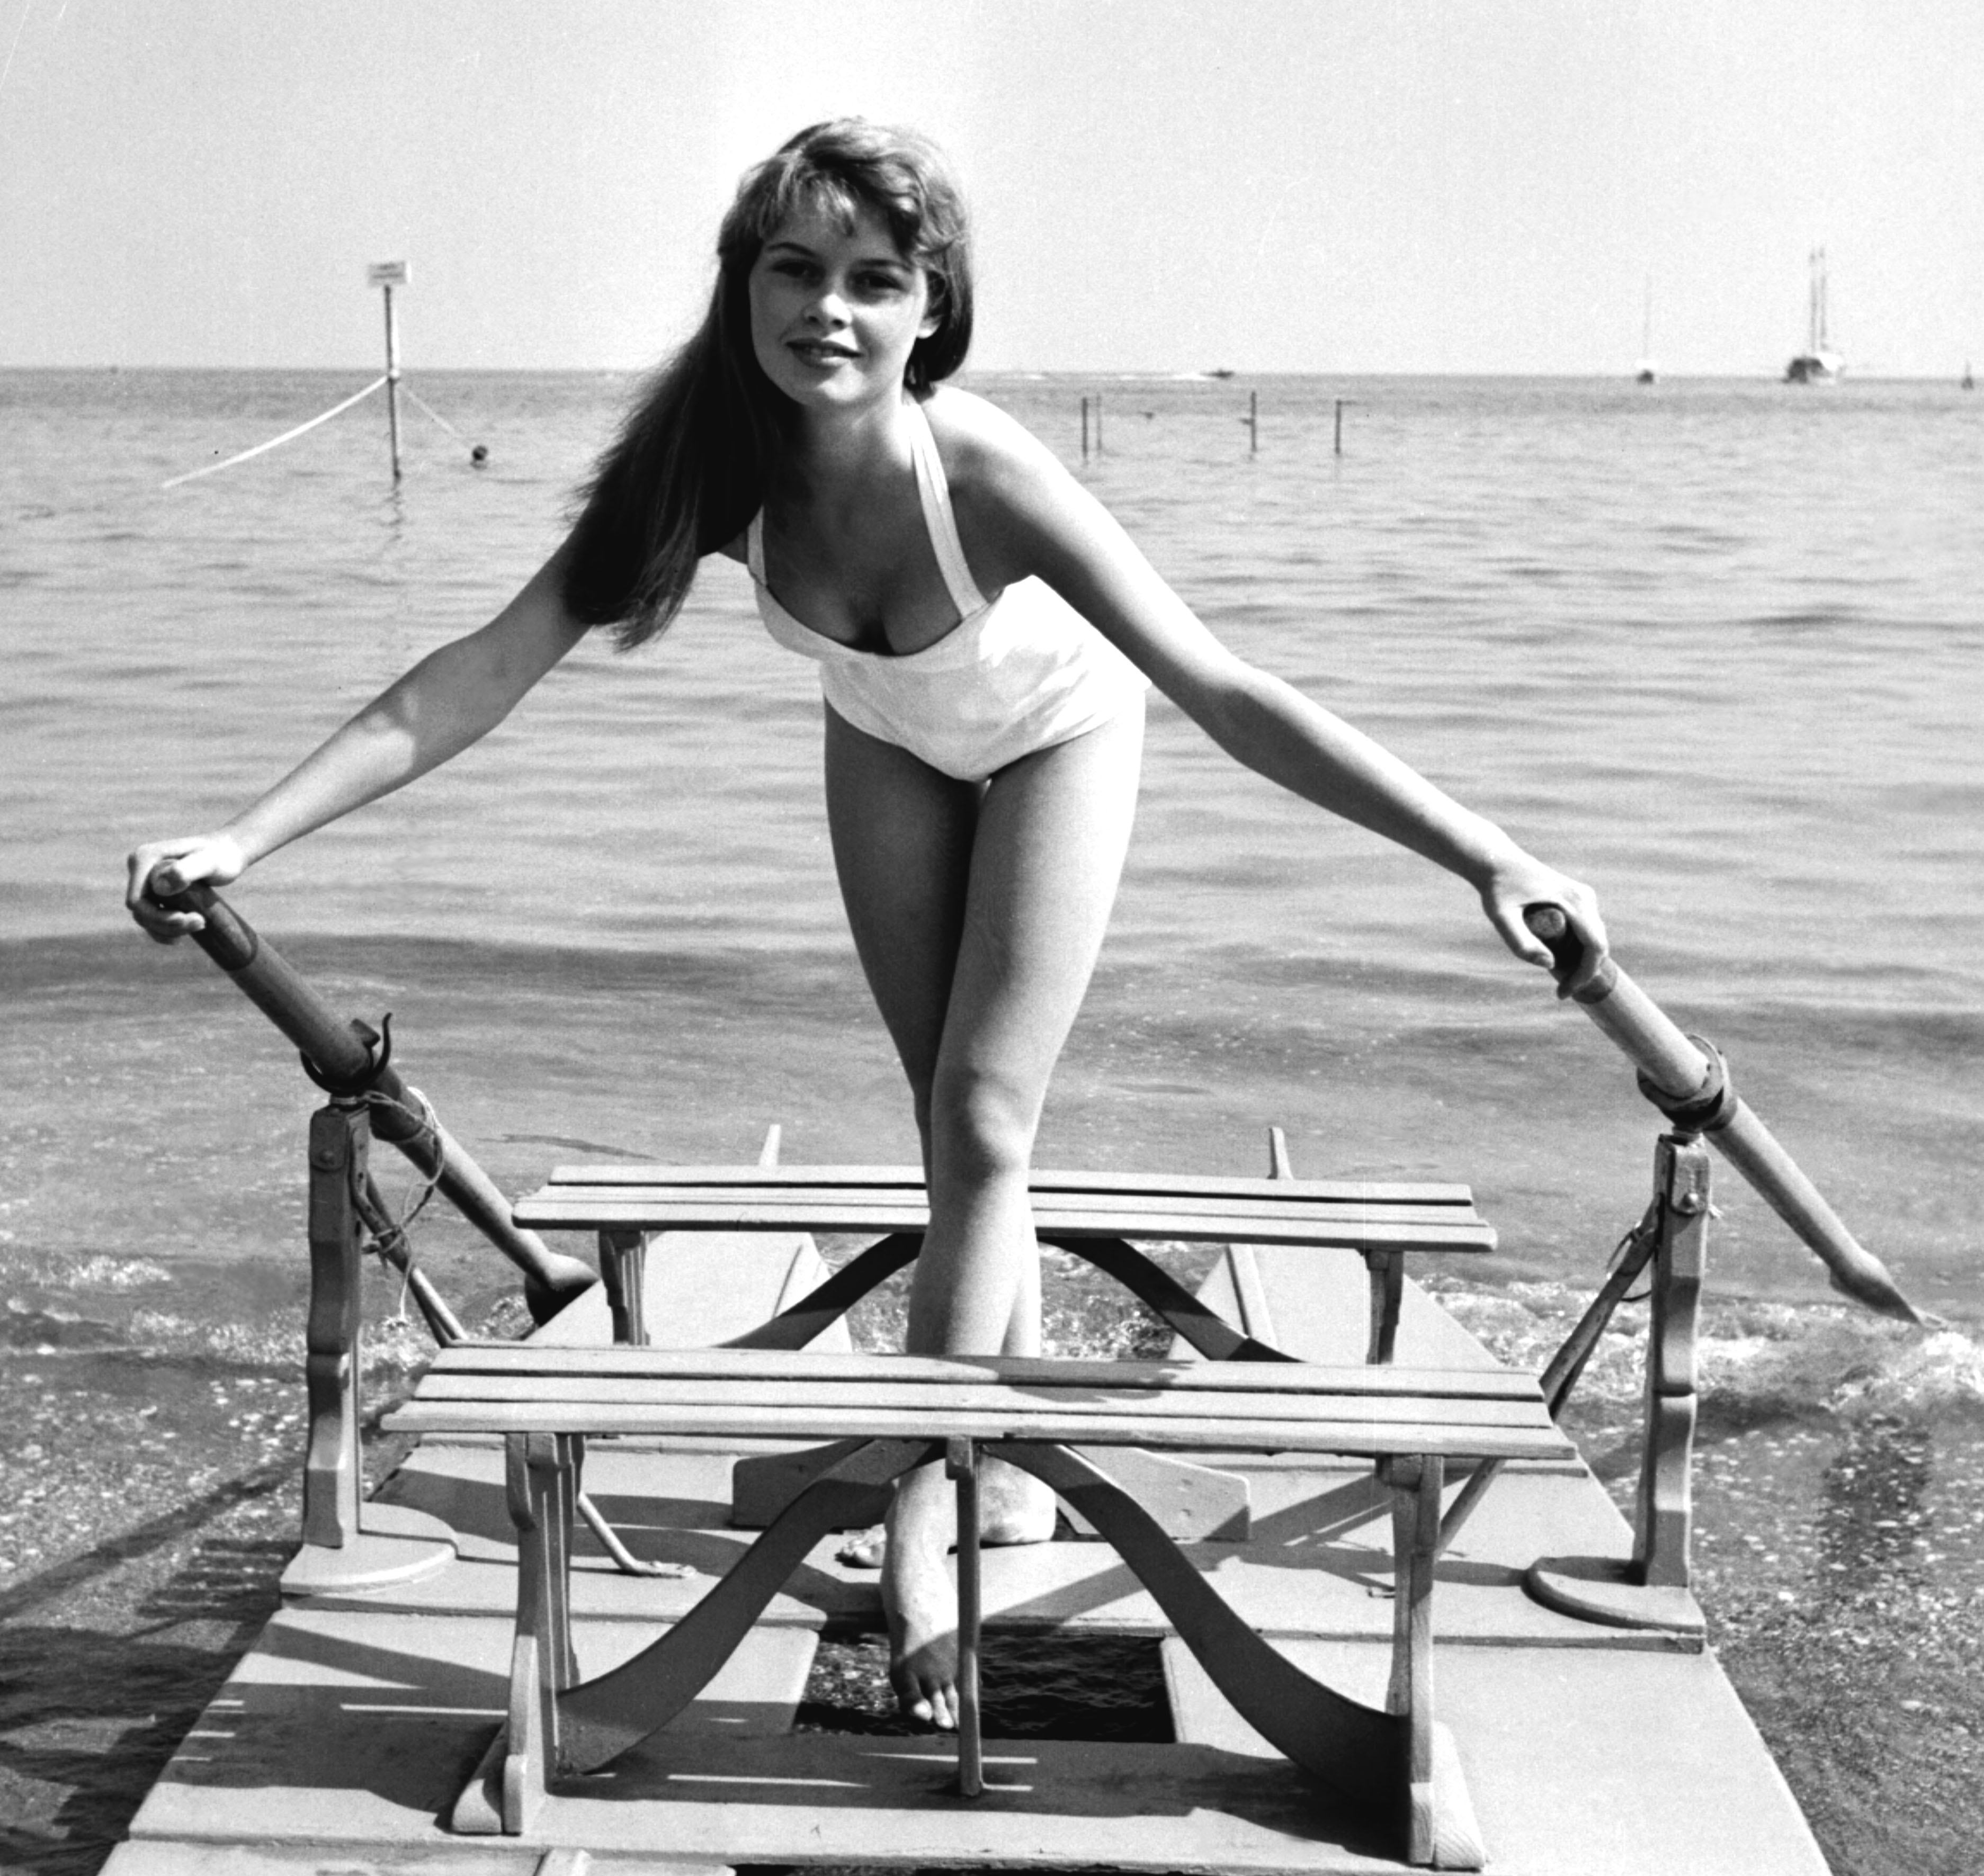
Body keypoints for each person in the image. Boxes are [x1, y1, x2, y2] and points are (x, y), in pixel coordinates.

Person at [127, 119, 1607, 1731]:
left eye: (873, 279)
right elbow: (480, 671)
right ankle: (1007, 1466)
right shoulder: (709, 475)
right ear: (743, 287)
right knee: (953, 1120)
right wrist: (244, 833)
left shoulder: (983, 475)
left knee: (984, 1113)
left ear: (929, 307)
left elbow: (1227, 692)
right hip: (887, 733)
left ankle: (928, 1505)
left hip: (1058, 736)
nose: (828, 308)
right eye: (796, 269)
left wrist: (1488, 857)